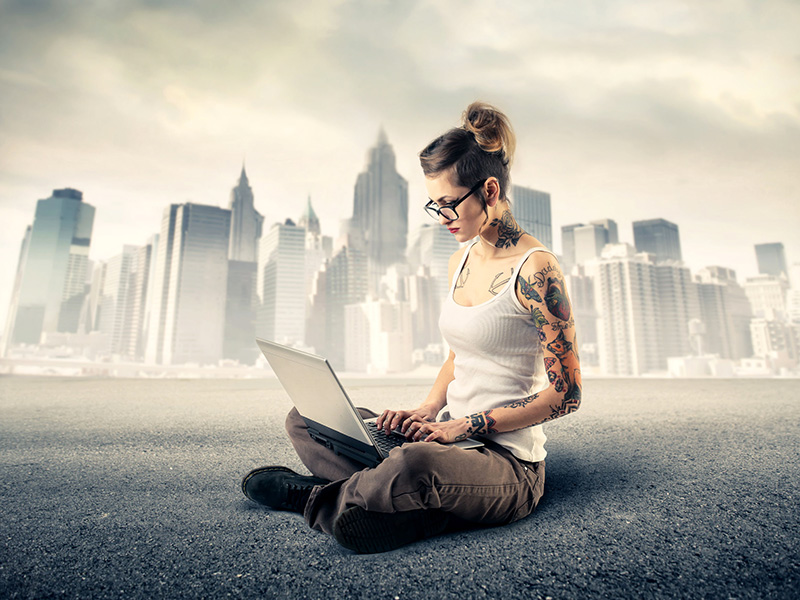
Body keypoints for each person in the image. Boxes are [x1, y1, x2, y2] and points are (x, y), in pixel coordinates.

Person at [241, 101, 582, 554]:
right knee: (308, 420)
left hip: (506, 465)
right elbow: (460, 355)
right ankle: (400, 504)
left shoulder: (537, 270)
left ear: (491, 191)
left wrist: (464, 426)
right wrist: (426, 410)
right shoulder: (459, 261)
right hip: (444, 440)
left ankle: (316, 497)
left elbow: (567, 394)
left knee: (413, 462)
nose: (442, 217)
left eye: (449, 204)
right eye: (433, 206)